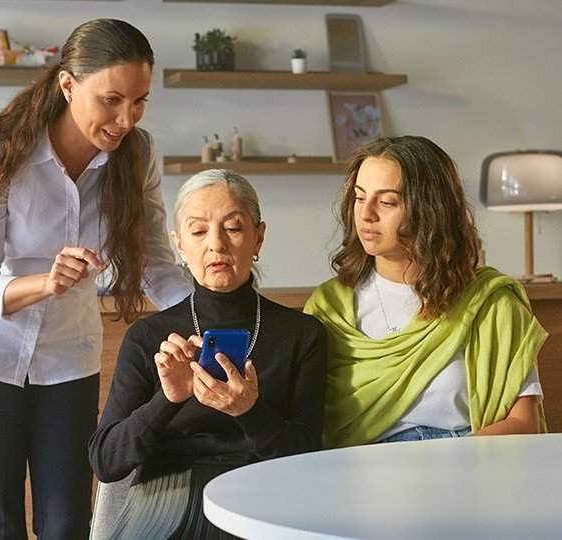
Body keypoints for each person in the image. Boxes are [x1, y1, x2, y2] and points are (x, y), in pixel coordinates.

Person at [0, 19, 191, 539]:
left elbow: (157, 267)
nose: (126, 119)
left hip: (67, 358)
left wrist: (216, 309)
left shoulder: (136, 157)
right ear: (68, 84)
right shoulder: (2, 154)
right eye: (112, 99)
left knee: (67, 524)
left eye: (139, 101)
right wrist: (45, 283)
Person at [89, 169, 327, 539]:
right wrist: (167, 400)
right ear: (179, 243)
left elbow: (309, 456)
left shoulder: (302, 334)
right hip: (165, 500)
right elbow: (106, 461)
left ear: (258, 237)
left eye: (232, 228)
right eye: (198, 231)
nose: (216, 244)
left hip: (263, 497)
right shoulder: (148, 337)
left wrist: (250, 411)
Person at [304, 135, 548, 448]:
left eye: (388, 202)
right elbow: (305, 427)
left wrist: (448, 465)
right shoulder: (328, 308)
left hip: (467, 463)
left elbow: (523, 424)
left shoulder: (490, 301)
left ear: (430, 211)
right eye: (359, 197)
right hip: (365, 475)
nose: (366, 214)